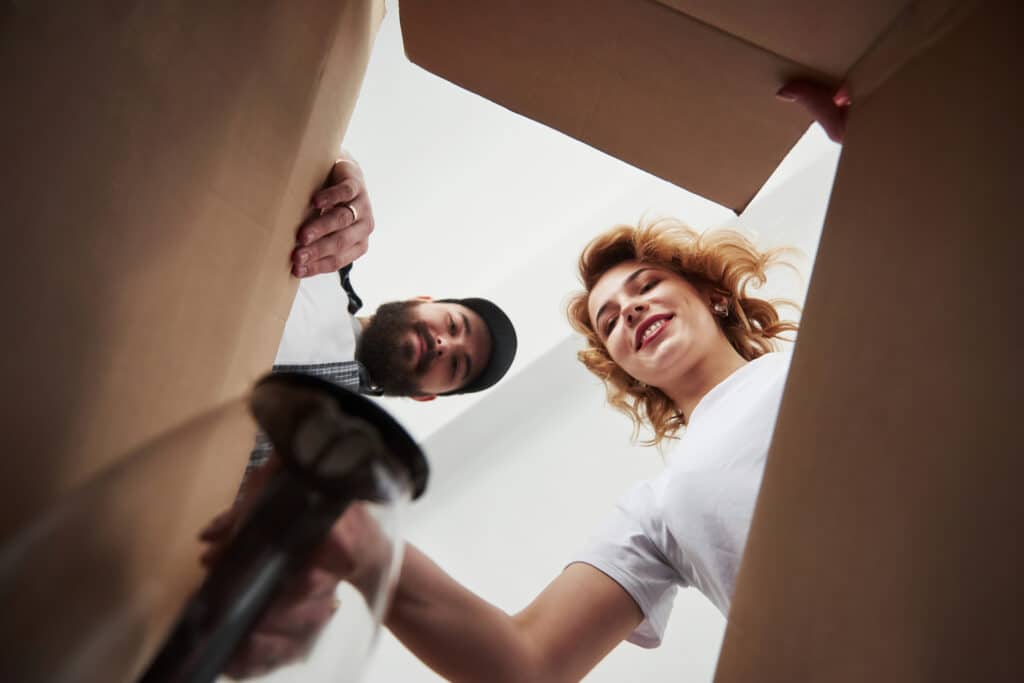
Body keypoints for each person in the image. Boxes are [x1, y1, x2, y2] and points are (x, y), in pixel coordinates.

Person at [204, 83, 846, 679]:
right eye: (611, 318)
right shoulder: (657, 515)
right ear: (624, 368)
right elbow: (526, 665)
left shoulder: (826, 355)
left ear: (715, 298)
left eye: (646, 286)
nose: (632, 310)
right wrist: (371, 552)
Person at [277, 151, 518, 400]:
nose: (443, 345)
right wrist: (343, 166)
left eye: (456, 366)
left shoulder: (315, 431)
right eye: (453, 325)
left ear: (425, 396)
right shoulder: (327, 253)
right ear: (420, 300)